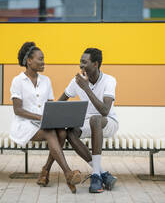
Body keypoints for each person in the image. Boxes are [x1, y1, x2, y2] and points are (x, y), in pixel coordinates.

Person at [39, 48, 119, 193]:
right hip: (88, 122)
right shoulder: (76, 81)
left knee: (95, 119)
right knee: (70, 132)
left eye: (84, 62)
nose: (80, 65)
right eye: (80, 62)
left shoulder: (109, 80)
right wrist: (48, 117)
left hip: (108, 122)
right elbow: (60, 102)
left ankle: (95, 176)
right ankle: (102, 173)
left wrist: (86, 88)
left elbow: (105, 111)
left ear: (95, 64)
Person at [9, 42, 81, 193]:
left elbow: (51, 107)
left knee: (61, 132)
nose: (43, 62)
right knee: (50, 132)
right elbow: (18, 110)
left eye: (43, 59)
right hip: (25, 124)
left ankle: (45, 171)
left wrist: (59, 117)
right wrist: (40, 117)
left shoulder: (46, 81)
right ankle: (68, 173)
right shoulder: (18, 81)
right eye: (40, 59)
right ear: (29, 60)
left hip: (43, 122)